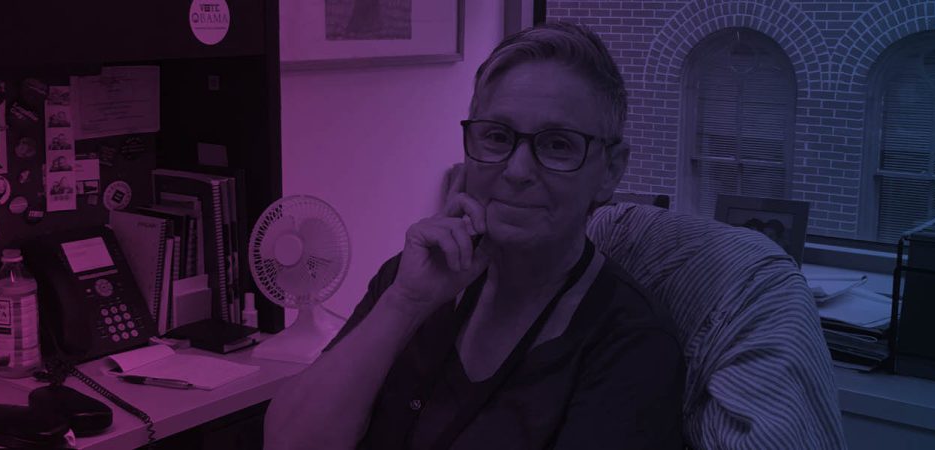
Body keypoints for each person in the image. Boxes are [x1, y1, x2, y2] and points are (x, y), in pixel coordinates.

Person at [264, 22, 684, 450]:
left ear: (610, 170)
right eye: (497, 137)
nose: (518, 171)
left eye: (558, 145)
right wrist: (405, 304)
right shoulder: (413, 279)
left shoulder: (633, 346)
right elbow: (287, 442)